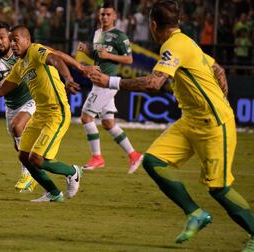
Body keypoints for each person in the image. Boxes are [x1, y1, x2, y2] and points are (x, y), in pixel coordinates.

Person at [88, 0, 254, 250]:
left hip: (213, 125)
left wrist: (110, 81)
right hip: (190, 120)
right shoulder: (187, 42)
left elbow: (154, 84)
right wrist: (221, 95)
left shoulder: (174, 45)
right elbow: (218, 68)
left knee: (219, 189)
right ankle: (195, 213)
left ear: (154, 25)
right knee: (153, 161)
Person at [0, 25, 84, 203]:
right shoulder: (19, 66)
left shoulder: (35, 50)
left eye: (16, 40)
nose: (13, 44)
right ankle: (54, 193)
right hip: (40, 114)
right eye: (12, 40)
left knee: (37, 159)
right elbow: (0, 90)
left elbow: (54, 58)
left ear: (27, 40)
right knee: (24, 156)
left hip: (57, 113)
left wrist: (68, 78)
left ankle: (73, 172)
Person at [77, 1, 143, 173]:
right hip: (97, 81)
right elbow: (99, 57)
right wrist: (87, 52)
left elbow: (129, 60)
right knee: (108, 123)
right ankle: (134, 155)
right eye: (102, 14)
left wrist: (108, 54)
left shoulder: (120, 36)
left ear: (115, 16)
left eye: (108, 14)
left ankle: (97, 157)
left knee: (86, 117)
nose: (104, 17)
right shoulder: (97, 32)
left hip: (107, 82)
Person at [0, 21, 38, 193]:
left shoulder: (22, 51)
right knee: (18, 143)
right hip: (11, 105)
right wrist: (11, 78)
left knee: (17, 127)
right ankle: (37, 174)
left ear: (10, 37)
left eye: (2, 37)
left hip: (32, 98)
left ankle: (27, 174)